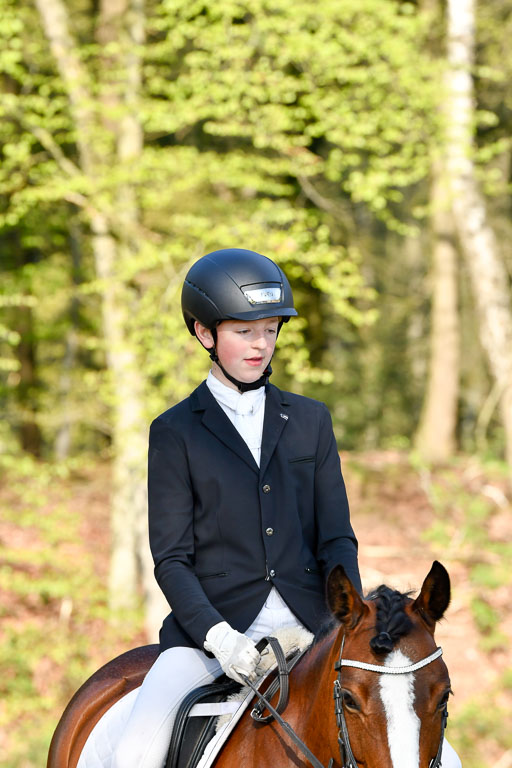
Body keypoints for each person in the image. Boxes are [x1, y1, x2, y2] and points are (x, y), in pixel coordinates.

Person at [111, 247, 355, 768]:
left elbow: (336, 537)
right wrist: (218, 637)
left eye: (269, 329)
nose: (261, 344)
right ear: (205, 334)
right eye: (245, 331)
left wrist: (349, 617)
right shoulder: (174, 431)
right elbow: (171, 559)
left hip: (312, 629)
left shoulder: (311, 420)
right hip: (210, 641)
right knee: (134, 754)